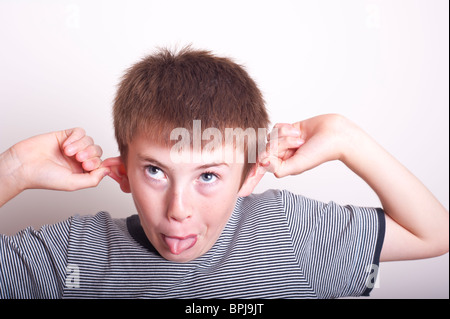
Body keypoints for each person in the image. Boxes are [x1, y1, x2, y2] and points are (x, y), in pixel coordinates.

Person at [0, 47, 448, 299]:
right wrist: (13, 169)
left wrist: (347, 138)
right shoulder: (74, 257)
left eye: (208, 176)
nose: (179, 210)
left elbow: (433, 235)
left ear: (249, 177)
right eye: (155, 171)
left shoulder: (289, 235)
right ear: (121, 173)